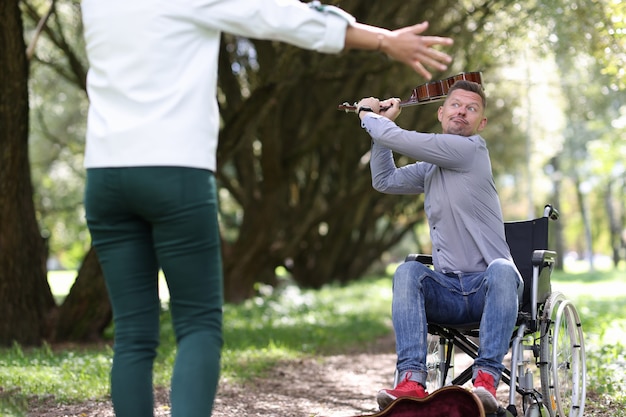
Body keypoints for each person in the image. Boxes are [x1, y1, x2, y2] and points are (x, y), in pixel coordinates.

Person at [79, 1, 454, 416]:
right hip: (174, 171)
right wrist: (384, 40)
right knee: (198, 326)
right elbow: (280, 14)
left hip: (104, 175)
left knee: (132, 333)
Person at [354, 80, 522, 414]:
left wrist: (367, 114)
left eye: (471, 108)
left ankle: (485, 381)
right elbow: (384, 180)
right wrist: (382, 127)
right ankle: (412, 381)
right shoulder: (432, 168)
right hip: (446, 290)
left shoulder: (471, 150)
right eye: (456, 105)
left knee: (503, 267)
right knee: (408, 271)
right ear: (440, 112)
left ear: (481, 123)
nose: (462, 111)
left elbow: (397, 137)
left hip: (487, 290)